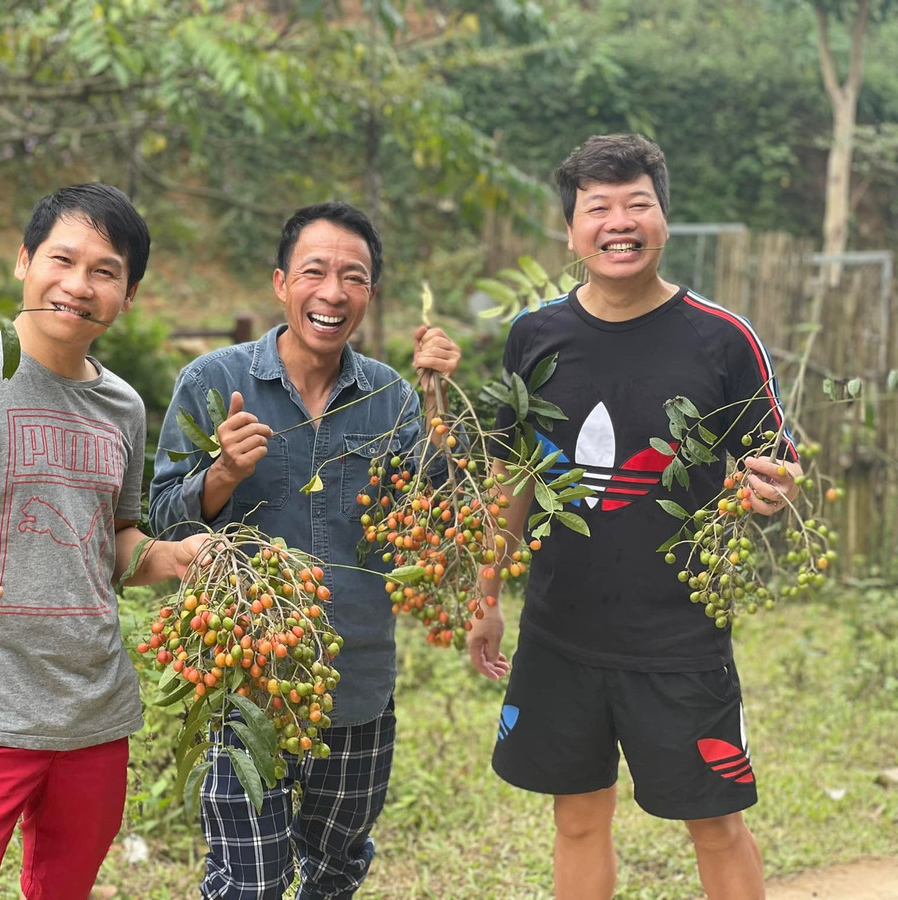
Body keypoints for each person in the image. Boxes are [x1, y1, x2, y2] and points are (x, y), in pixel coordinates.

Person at [467, 133, 802, 900]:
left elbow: (776, 463)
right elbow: (511, 476)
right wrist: (486, 595)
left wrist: (774, 489)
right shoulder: (534, 335)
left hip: (681, 637)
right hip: (560, 632)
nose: (620, 222)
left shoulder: (722, 339)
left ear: (664, 218)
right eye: (599, 207)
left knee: (715, 822)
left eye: (637, 204)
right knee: (577, 819)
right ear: (571, 229)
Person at [0, 183, 207, 900]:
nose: (78, 285)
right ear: (23, 260)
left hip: (94, 708)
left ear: (129, 294)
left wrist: (172, 558)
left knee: (64, 888)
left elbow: (110, 542)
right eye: (63, 259)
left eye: (105, 271)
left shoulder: (123, 405)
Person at [149, 200, 460, 900]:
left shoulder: (393, 397)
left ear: (370, 296)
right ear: (280, 283)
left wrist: (440, 404)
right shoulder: (211, 382)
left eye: (353, 277)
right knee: (249, 883)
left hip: (352, 681)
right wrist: (223, 473)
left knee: (335, 872)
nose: (332, 292)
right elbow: (163, 523)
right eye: (315, 271)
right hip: (242, 683)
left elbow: (430, 515)